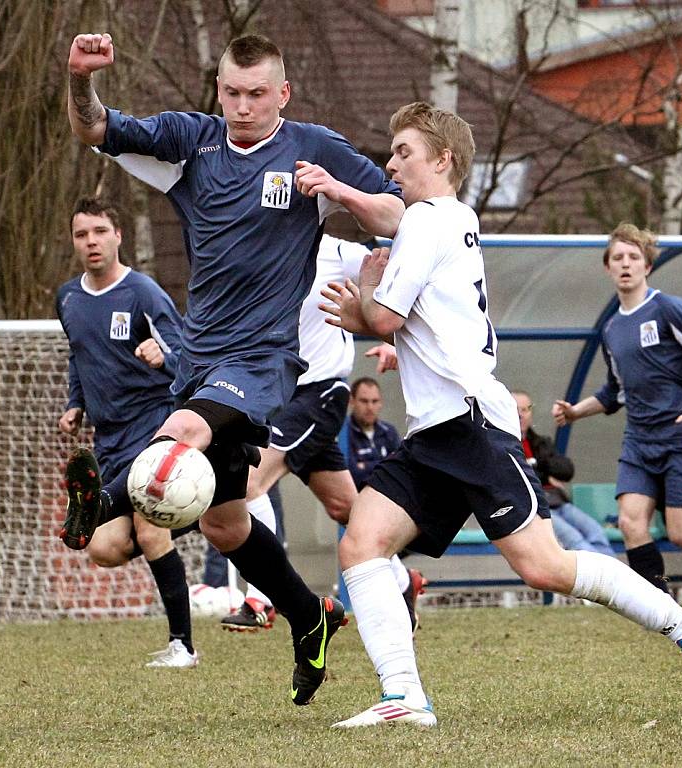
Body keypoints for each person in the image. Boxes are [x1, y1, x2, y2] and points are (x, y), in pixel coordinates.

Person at [320, 102, 682, 728]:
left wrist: (364, 305)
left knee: (545, 567)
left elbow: (386, 316)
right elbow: (430, 321)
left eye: (403, 151)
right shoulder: (450, 220)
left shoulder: (427, 220)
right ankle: (404, 697)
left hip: (472, 424)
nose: (391, 164)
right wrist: (401, 339)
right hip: (437, 429)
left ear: (443, 158)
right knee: (363, 543)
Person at [64, 32, 404, 705]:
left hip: (264, 359)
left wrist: (335, 189)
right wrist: (79, 79)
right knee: (225, 523)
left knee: (181, 434)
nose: (244, 106)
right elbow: (95, 128)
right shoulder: (194, 140)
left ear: (282, 94)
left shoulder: (314, 148)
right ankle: (309, 617)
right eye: (232, 93)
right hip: (199, 354)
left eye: (257, 94)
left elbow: (397, 213)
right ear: (219, 91)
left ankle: (101, 503)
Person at [215, 235, 425, 632]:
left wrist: (398, 339)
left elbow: (397, 280)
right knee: (344, 507)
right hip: (277, 394)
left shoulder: (338, 251)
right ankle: (403, 582)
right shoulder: (258, 248)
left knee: (249, 482)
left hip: (320, 392)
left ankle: (260, 600)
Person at [57, 197, 197, 668]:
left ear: (118, 236)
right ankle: (181, 517)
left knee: (146, 524)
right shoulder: (69, 299)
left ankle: (183, 646)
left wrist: (166, 358)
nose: (91, 242)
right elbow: (79, 354)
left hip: (154, 428)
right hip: (108, 441)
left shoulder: (143, 293)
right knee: (103, 547)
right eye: (82, 234)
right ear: (75, 242)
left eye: (100, 231)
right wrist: (76, 403)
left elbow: (187, 357)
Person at [552, 223, 682, 589]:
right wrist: (576, 411)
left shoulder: (671, 310)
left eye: (634, 257)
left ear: (647, 266)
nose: (625, 264)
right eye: (618, 258)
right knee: (630, 523)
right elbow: (614, 391)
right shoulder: (612, 329)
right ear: (607, 267)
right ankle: (658, 608)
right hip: (639, 442)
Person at [511, 390, 615, 557]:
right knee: (575, 540)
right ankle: (605, 580)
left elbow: (566, 471)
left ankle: (612, 579)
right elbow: (518, 479)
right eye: (515, 409)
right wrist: (546, 474)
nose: (521, 415)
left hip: (558, 502)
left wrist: (538, 464)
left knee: (596, 533)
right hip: (536, 509)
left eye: (525, 409)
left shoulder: (540, 442)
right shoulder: (504, 444)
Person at [347, 376, 402, 491]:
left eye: (375, 401)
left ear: (381, 403)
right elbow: (352, 475)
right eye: (364, 401)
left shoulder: (389, 432)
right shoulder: (344, 433)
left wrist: (365, 465)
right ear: (352, 401)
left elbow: (401, 470)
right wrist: (385, 463)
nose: (370, 407)